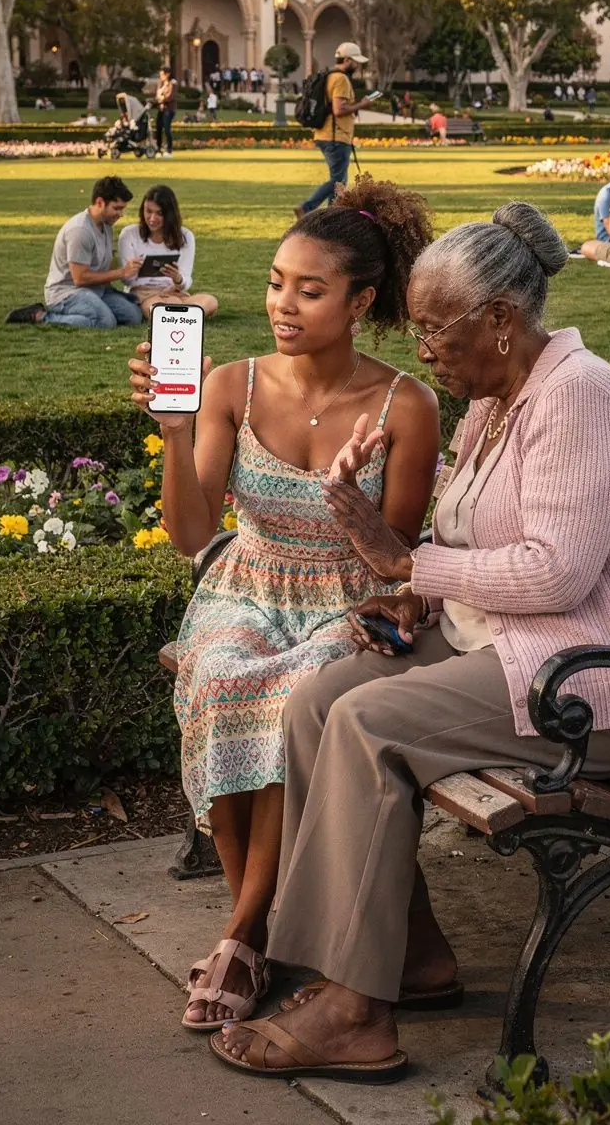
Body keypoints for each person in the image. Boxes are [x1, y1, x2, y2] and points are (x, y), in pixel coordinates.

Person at [215, 202, 610, 1083]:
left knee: (370, 726)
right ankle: (406, 954)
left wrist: (411, 563)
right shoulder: (496, 399)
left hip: (607, 682)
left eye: (438, 328)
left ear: (502, 321)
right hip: (524, 654)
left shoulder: (578, 395)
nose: (425, 348)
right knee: (318, 700)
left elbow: (558, 576)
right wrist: (414, 595)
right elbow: (474, 540)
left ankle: (357, 1012)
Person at [127, 177, 440, 1032]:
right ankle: (254, 931)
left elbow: (397, 565)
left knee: (288, 694)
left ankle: (241, 936)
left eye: (309, 289)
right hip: (249, 584)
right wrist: (178, 432)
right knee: (224, 680)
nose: (283, 305)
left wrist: (357, 513)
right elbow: (195, 538)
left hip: (349, 601)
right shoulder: (231, 383)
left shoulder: (405, 406)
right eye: (274, 282)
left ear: (361, 299)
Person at [6, 176, 144, 328]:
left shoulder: (106, 225)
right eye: (117, 208)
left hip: (96, 290)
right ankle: (40, 316)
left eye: (122, 208)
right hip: (67, 292)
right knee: (105, 322)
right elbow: (80, 278)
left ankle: (93, 311)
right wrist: (122, 272)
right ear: (100, 202)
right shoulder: (80, 231)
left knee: (134, 316)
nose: (121, 214)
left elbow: (103, 265)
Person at [118, 185, 219, 318]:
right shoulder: (129, 234)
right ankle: (183, 316)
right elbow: (128, 282)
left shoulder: (185, 236)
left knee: (210, 302)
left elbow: (186, 281)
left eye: (159, 213)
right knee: (156, 308)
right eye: (148, 211)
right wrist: (130, 271)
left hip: (174, 292)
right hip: (143, 292)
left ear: (170, 214)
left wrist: (177, 278)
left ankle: (175, 315)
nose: (152, 218)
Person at [295, 43, 372, 218]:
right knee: (338, 181)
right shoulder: (341, 79)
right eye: (355, 62)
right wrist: (363, 104)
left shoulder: (328, 76)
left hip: (325, 133)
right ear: (346, 60)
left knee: (338, 180)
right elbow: (339, 109)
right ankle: (307, 207)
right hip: (336, 136)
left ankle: (331, 216)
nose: (357, 66)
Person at [155, 65, 178, 156]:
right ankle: (158, 148)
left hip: (169, 109)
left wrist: (161, 99)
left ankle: (169, 150)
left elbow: (171, 96)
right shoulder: (161, 83)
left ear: (167, 74)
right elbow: (157, 95)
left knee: (167, 128)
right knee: (158, 129)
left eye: (162, 74)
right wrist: (157, 100)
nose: (161, 76)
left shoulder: (173, 83)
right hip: (161, 109)